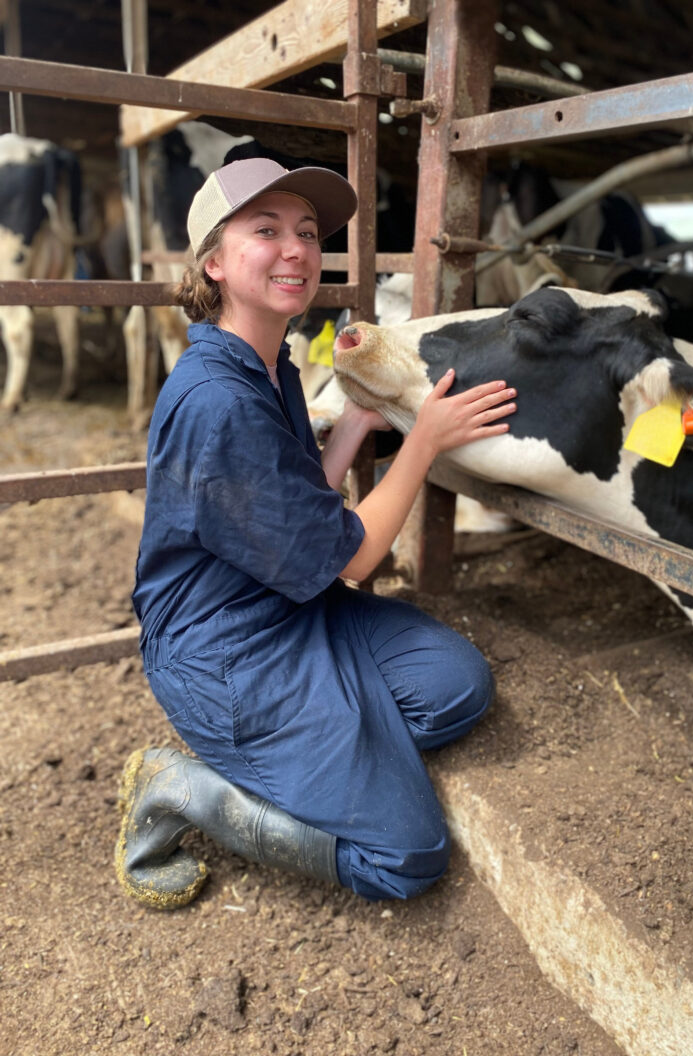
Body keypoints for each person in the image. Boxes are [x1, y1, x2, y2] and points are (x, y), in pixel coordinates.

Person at [115, 156, 517, 909]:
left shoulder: (271, 366)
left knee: (457, 688)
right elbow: (354, 559)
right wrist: (423, 441)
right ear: (213, 263)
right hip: (225, 654)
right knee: (407, 858)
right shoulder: (219, 401)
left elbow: (299, 506)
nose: (297, 249)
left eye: (306, 232)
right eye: (266, 231)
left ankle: (333, 753)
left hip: (293, 609)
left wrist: (358, 421)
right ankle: (186, 788)